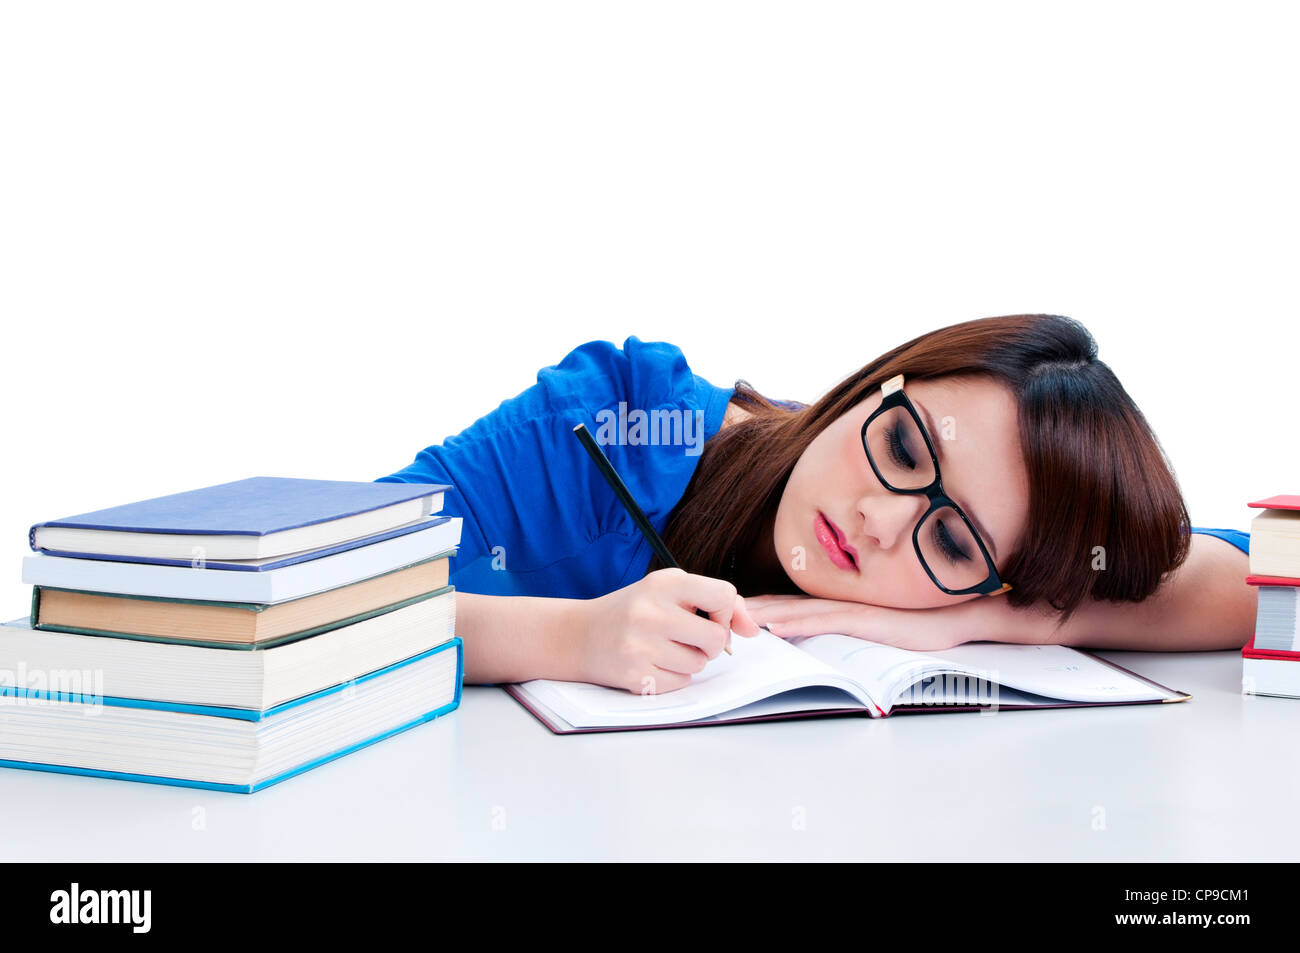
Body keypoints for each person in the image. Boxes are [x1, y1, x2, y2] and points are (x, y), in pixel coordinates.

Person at [377, 314, 1255, 694]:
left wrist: (988, 621)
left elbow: (1251, 583)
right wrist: (571, 638)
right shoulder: (615, 420)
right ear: (882, 383)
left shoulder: (976, 598)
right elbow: (295, 595)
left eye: (950, 543)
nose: (882, 519)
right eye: (907, 446)